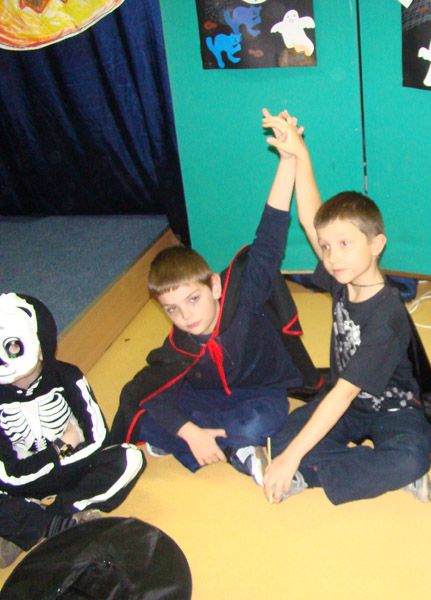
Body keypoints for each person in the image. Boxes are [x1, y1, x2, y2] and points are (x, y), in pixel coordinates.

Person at [109, 116, 320, 483]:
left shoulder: (244, 298)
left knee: (262, 421)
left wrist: (288, 161)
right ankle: (233, 450)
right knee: (145, 418)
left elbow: (269, 237)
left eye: (194, 299)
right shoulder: (180, 343)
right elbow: (151, 391)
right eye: (172, 309)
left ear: (215, 287)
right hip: (204, 401)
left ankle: (219, 444)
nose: (186, 316)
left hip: (256, 393)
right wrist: (190, 431)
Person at [260, 110, 431, 506]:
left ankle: (316, 471)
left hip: (393, 409)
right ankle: (361, 471)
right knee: (282, 435)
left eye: (345, 244)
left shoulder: (387, 316)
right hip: (348, 405)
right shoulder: (343, 278)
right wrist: (300, 154)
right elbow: (312, 218)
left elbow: (342, 394)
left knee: (410, 457)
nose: (332, 256)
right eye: (327, 247)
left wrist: (290, 460)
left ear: (376, 244)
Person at [0, 293, 145, 567]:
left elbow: (99, 438)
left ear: (40, 342)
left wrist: (62, 460)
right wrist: (61, 448)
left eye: (13, 346)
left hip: (76, 471)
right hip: (25, 485)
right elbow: (9, 477)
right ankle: (55, 523)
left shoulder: (67, 376)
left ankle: (43, 521)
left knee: (129, 457)